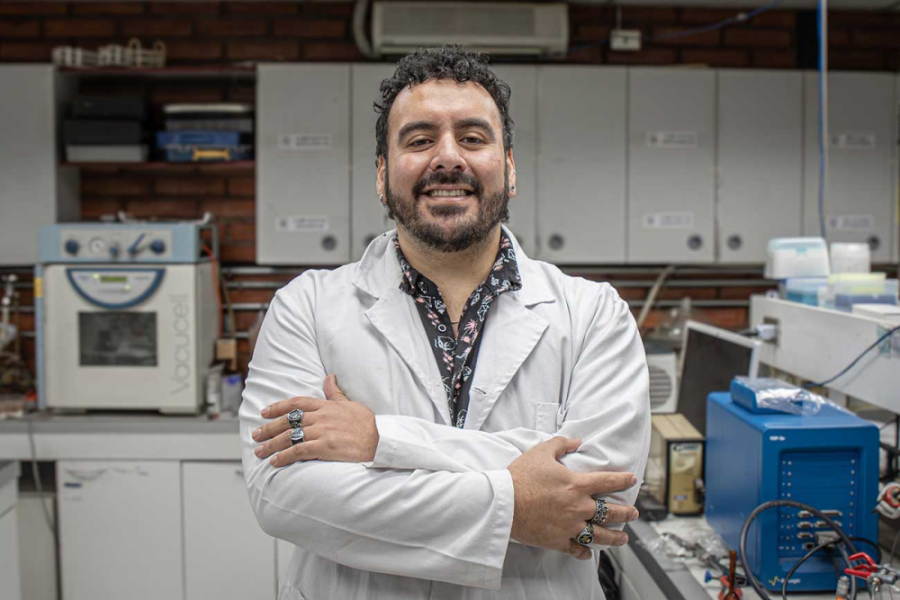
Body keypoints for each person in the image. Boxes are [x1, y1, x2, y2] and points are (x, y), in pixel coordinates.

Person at [240, 45, 651, 600]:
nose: (448, 157)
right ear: (383, 176)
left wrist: (379, 439)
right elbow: (283, 495)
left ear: (509, 168)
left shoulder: (594, 314)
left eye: (474, 138)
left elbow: (600, 490)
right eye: (419, 139)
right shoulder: (306, 308)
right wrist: (521, 503)